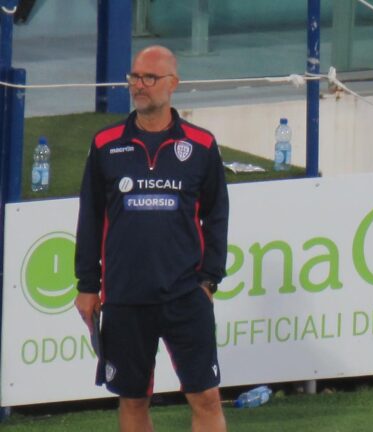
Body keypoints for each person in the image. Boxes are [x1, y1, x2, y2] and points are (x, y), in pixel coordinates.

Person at [74, 45, 229, 432]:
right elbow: (90, 218)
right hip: (125, 296)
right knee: (133, 399)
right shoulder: (106, 144)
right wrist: (87, 286)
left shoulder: (202, 145)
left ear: (173, 84)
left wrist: (209, 279)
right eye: (134, 77)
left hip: (185, 295)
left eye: (149, 78)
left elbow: (217, 215)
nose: (138, 85)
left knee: (206, 397)